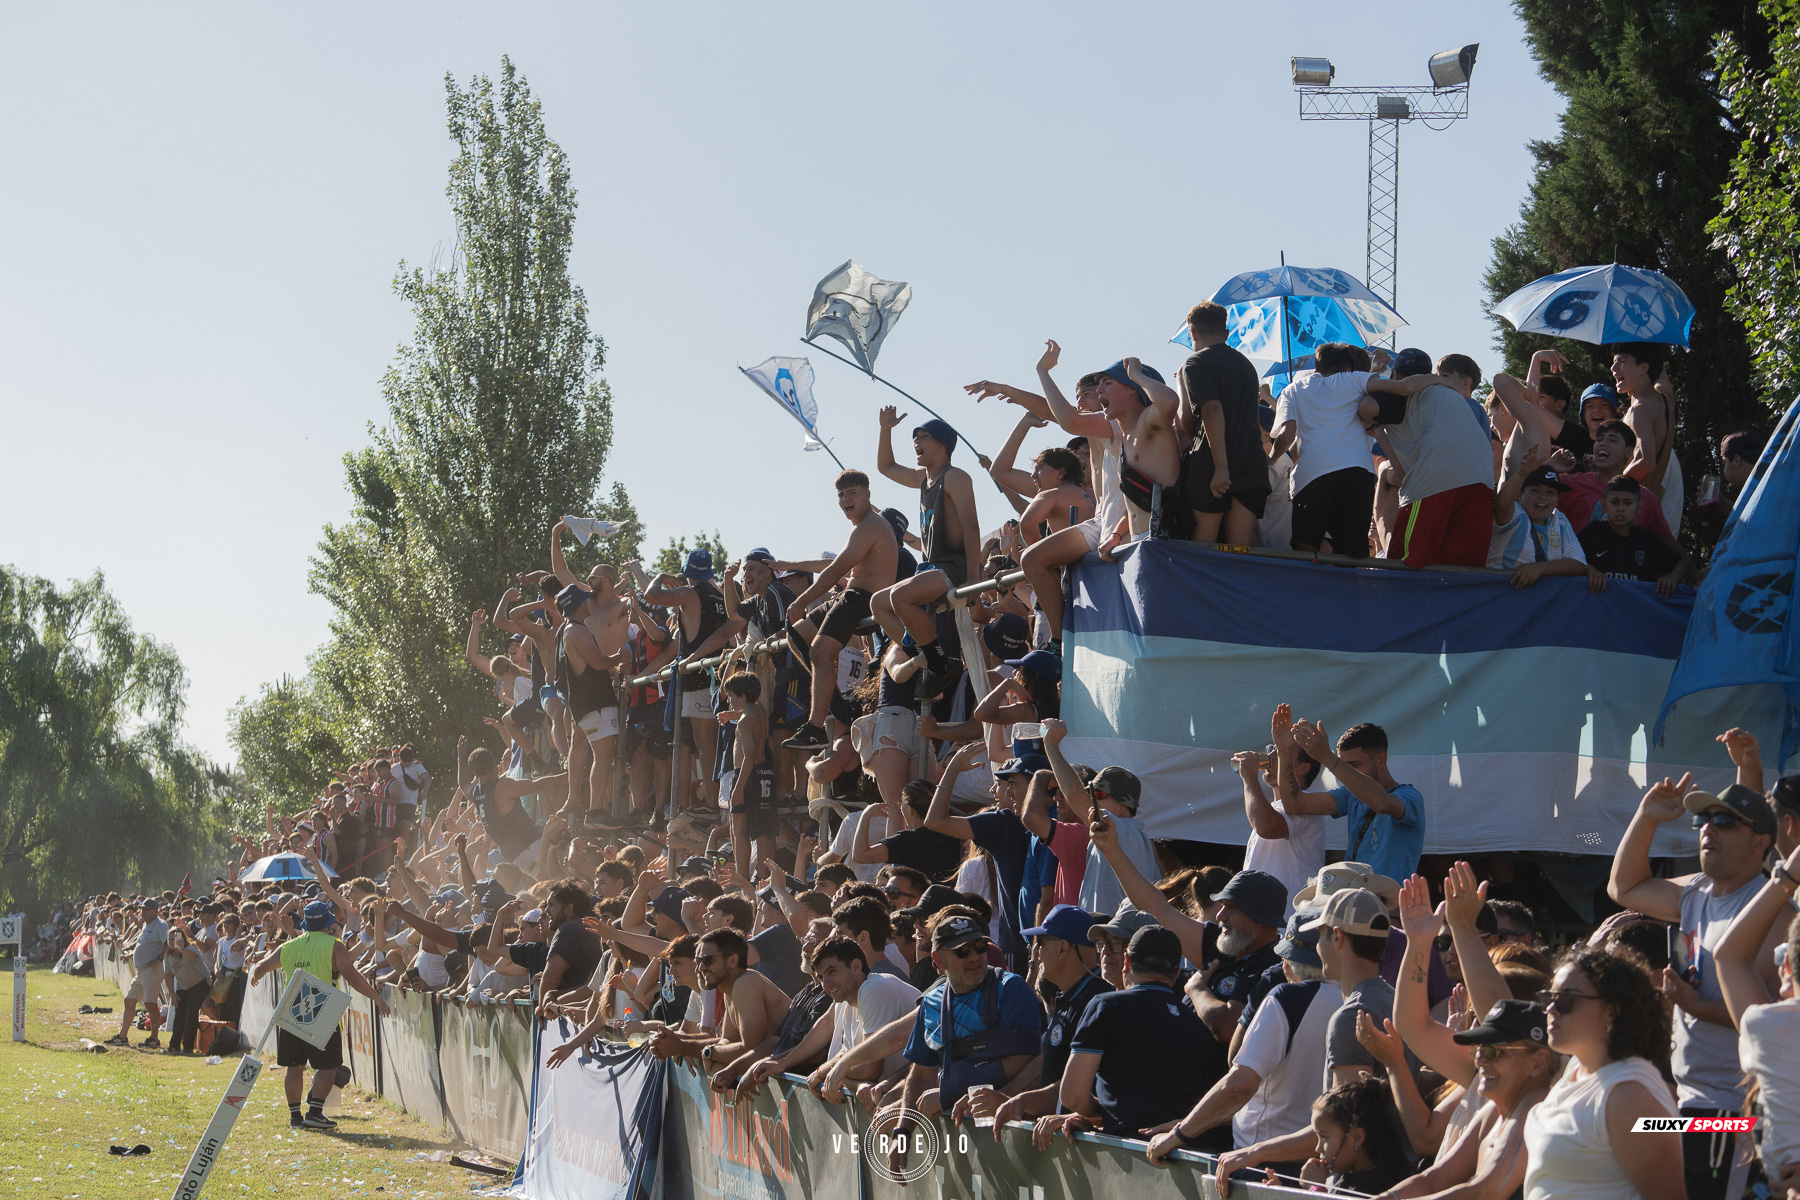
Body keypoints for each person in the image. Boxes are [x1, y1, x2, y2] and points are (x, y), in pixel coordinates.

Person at [1607, 774, 1785, 1200]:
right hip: (1688, 1101)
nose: (1708, 828)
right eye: (1702, 821)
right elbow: (1624, 888)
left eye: (1724, 821)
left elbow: (1773, 1020)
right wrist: (1646, 816)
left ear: (1761, 842)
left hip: (1734, 1113)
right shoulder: (1697, 891)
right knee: (1617, 1135)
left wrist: (1693, 1005)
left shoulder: (1773, 912)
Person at [1148, 904, 1338, 1166]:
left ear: (1289, 962)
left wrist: (1177, 1135)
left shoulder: (1287, 998)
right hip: (1324, 1162)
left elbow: (1239, 1086)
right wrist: (1194, 1122)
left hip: (1262, 1163)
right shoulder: (1355, 999)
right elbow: (1276, 1099)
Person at [1018, 344, 1181, 647]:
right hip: (1120, 530)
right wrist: (1117, 534)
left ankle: (1061, 641)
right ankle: (1060, 641)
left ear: (1132, 390)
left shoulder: (1140, 422)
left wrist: (1138, 375)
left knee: (1150, 632)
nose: (1093, 394)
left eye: (1106, 384)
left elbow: (1170, 402)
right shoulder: (1125, 432)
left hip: (1154, 538)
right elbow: (1132, 501)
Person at [1522, 945, 1683, 1200]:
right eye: (1549, 997)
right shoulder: (1576, 1069)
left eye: (1566, 1000)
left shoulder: (1627, 1096)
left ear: (1611, 1010)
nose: (1551, 1008)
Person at [889, 908, 1042, 1174]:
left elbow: (1025, 1059)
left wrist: (949, 1094)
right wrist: (902, 1133)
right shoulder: (932, 1003)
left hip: (1016, 1144)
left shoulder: (1011, 988)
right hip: (964, 1151)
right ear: (938, 960)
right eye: (962, 951)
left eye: (980, 947)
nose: (974, 957)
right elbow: (921, 1075)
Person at [1033, 926, 1212, 1143]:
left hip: (1124, 1155)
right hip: (1185, 1157)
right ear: (1175, 974)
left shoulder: (1104, 1006)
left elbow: (1072, 1095)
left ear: (1126, 962)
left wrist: (1102, 1113)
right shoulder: (1197, 1023)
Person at [1377, 998, 1556, 1200]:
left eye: (1493, 1051)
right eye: (1477, 1049)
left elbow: (1486, 1192)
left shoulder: (1537, 1105)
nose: (1480, 1059)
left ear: (1539, 1062)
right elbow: (1433, 1180)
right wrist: (1386, 1197)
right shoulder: (1491, 1114)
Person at [778, 469, 900, 751]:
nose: (846, 499)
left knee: (820, 651)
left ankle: (816, 726)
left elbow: (835, 570)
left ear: (867, 495)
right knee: (797, 634)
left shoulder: (870, 525)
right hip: (850, 595)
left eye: (852, 493)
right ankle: (838, 705)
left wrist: (799, 601)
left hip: (863, 597)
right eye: (841, 495)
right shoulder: (860, 527)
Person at [870, 410, 981, 702]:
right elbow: (886, 466)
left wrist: (973, 577)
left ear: (942, 446)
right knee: (878, 604)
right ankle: (925, 655)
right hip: (930, 568)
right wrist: (886, 429)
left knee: (899, 597)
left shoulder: (955, 476)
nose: (916, 441)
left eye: (924, 437)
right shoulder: (924, 478)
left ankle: (938, 662)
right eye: (915, 437)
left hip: (952, 566)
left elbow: (971, 525)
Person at [249, 900, 390, 1129]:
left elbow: (260, 968)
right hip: (322, 1012)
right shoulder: (335, 946)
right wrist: (376, 997)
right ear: (329, 923)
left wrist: (256, 976)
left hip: (291, 1013)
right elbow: (352, 977)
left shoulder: (288, 946)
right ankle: (314, 1113)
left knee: (294, 1067)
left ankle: (295, 1117)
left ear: (305, 924)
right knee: (328, 1067)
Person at [1366, 349, 1502, 567]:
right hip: (1481, 485)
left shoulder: (1403, 392)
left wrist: (1367, 407)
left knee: (1403, 565)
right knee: (1460, 570)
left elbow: (1367, 409)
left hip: (1436, 484)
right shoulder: (1451, 396)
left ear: (1397, 376)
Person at [989, 905, 1111, 1129]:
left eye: (1041, 943)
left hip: (1090, 1145)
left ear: (1063, 949)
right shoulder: (1071, 997)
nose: (1036, 952)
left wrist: (1022, 1101)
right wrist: (1016, 1101)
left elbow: (1088, 1086)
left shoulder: (1098, 1002)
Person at [645, 548, 746, 811]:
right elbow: (726, 632)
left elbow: (650, 596)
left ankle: (712, 802)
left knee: (705, 746)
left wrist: (661, 575)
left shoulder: (690, 593)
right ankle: (714, 799)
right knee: (714, 744)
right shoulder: (719, 595)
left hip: (698, 679)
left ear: (688, 571)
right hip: (720, 676)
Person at [1281, 720, 1425, 886]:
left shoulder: (1410, 796)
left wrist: (1327, 757)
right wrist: (1284, 752)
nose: (1346, 773)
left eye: (1354, 765)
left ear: (1381, 759)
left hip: (1390, 906)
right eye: (1344, 765)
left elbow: (1383, 804)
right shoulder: (1350, 794)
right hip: (1354, 902)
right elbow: (1294, 805)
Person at [1039, 719, 1158, 916]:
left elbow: (1075, 797)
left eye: (1100, 795)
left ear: (1124, 803)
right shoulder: (1135, 835)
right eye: (1090, 794)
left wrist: (1050, 746)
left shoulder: (1123, 830)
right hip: (1108, 937)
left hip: (1116, 939)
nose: (1092, 799)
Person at [1177, 300, 1266, 545]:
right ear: (1227, 333)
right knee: (1239, 550)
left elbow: (1207, 411)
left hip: (1210, 463)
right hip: (1250, 461)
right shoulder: (1246, 365)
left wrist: (1221, 467)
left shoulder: (1195, 363)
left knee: (1203, 549)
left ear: (1192, 333)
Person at [648, 927, 791, 1066]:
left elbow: (750, 1050)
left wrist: (697, 1050)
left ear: (732, 961)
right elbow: (728, 1041)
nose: (700, 968)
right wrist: (681, 1044)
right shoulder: (730, 989)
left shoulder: (747, 983)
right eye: (698, 961)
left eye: (707, 960)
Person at [1236, 703, 1326, 916]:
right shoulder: (1275, 807)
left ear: (1303, 767)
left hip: (1286, 926)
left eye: (1283, 751)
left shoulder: (1307, 807)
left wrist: (1249, 778)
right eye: (1273, 748)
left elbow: (1265, 827)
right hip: (1263, 923)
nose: (1273, 754)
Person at [1486, 451, 1599, 589]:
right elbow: (1502, 504)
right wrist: (1522, 473)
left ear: (1557, 500)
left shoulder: (1560, 520)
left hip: (1542, 606)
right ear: (1520, 496)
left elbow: (1578, 563)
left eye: (1550, 492)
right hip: (1499, 598)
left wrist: (1539, 568)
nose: (1543, 497)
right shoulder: (1515, 514)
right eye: (1535, 490)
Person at [1578, 476, 1695, 595]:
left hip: (1633, 610)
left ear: (1639, 507)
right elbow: (1569, 558)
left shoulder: (1645, 539)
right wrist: (1588, 570)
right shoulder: (1593, 532)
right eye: (1614, 502)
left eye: (1628, 503)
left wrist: (1672, 578)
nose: (1621, 508)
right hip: (1597, 607)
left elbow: (1682, 562)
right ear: (1603, 505)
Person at [455, 742, 563, 869]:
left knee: (540, 880)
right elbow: (538, 784)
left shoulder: (474, 792)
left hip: (513, 853)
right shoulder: (502, 787)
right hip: (531, 842)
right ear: (493, 765)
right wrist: (568, 777)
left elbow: (463, 783)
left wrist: (460, 758)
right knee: (553, 875)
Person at [1611, 342, 1682, 534]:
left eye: (1622, 362)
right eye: (1613, 362)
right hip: (1653, 506)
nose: (1613, 368)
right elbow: (1658, 368)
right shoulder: (1666, 399)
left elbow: (1646, 462)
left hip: (1634, 511)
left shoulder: (1639, 410)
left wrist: (1609, 489)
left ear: (1644, 368)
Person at [719, 673, 776, 884]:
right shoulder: (758, 709)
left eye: (732, 696)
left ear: (742, 696)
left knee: (738, 829)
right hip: (764, 772)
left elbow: (749, 755)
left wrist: (738, 788)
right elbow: (747, 714)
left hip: (745, 774)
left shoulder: (743, 723)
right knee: (764, 829)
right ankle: (762, 875)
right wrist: (730, 716)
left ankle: (742, 878)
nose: (730, 700)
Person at [109, 898, 169, 1048]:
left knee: (150, 1004)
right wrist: (130, 955)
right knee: (129, 1000)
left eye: (147, 909)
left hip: (152, 970)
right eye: (142, 909)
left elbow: (168, 943)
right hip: (141, 970)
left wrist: (159, 959)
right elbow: (143, 945)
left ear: (156, 911)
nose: (143, 912)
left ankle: (154, 1039)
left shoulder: (160, 925)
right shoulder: (146, 925)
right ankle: (122, 1037)